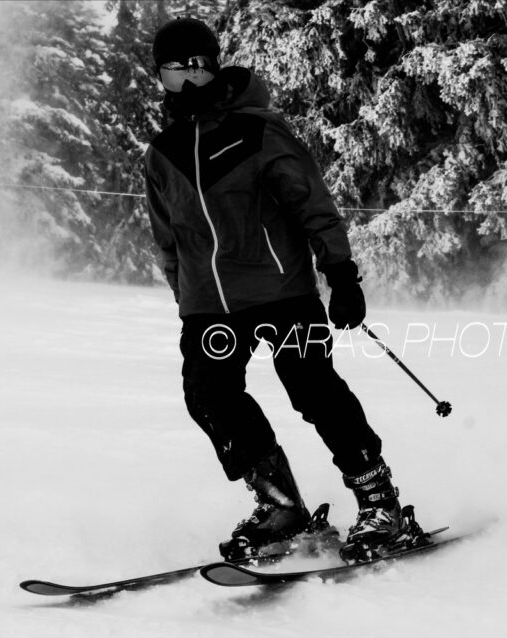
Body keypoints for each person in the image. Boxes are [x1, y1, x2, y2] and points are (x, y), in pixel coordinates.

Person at [143, 17, 404, 560]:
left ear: (214, 65)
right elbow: (168, 239)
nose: (188, 84)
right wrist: (185, 296)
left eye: (196, 68)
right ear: (161, 79)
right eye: (174, 73)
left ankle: (379, 501)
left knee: (312, 389)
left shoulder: (260, 129)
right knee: (209, 398)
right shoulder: (162, 153)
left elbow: (312, 203)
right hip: (210, 308)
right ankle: (282, 505)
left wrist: (341, 274)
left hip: (283, 292)